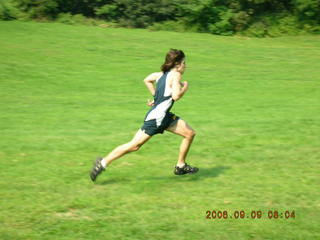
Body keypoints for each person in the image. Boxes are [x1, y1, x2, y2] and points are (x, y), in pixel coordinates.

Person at [90, 49, 198, 181]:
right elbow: (176, 95)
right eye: (184, 63)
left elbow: (147, 80)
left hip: (164, 116)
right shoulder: (175, 75)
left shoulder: (161, 75)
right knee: (134, 145)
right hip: (157, 118)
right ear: (177, 64)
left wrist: (156, 98)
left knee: (189, 133)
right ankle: (102, 163)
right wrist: (184, 88)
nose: (185, 66)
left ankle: (180, 165)